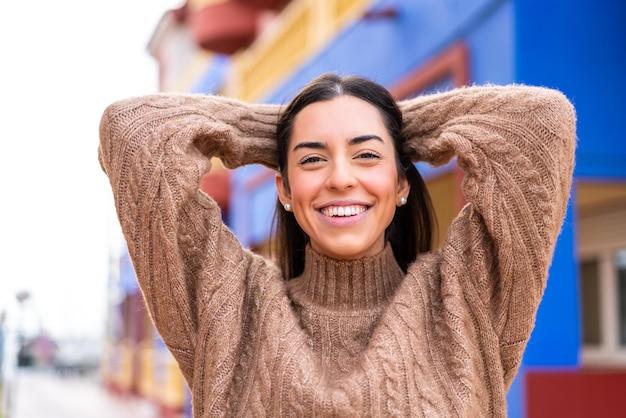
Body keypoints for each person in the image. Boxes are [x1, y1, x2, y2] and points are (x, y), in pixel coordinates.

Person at [98, 73, 576, 417]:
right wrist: (283, 127)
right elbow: (134, 132)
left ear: (403, 182)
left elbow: (540, 123)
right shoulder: (230, 303)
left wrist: (385, 118)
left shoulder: (463, 296)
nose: (341, 178)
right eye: (313, 161)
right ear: (284, 189)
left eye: (367, 155)